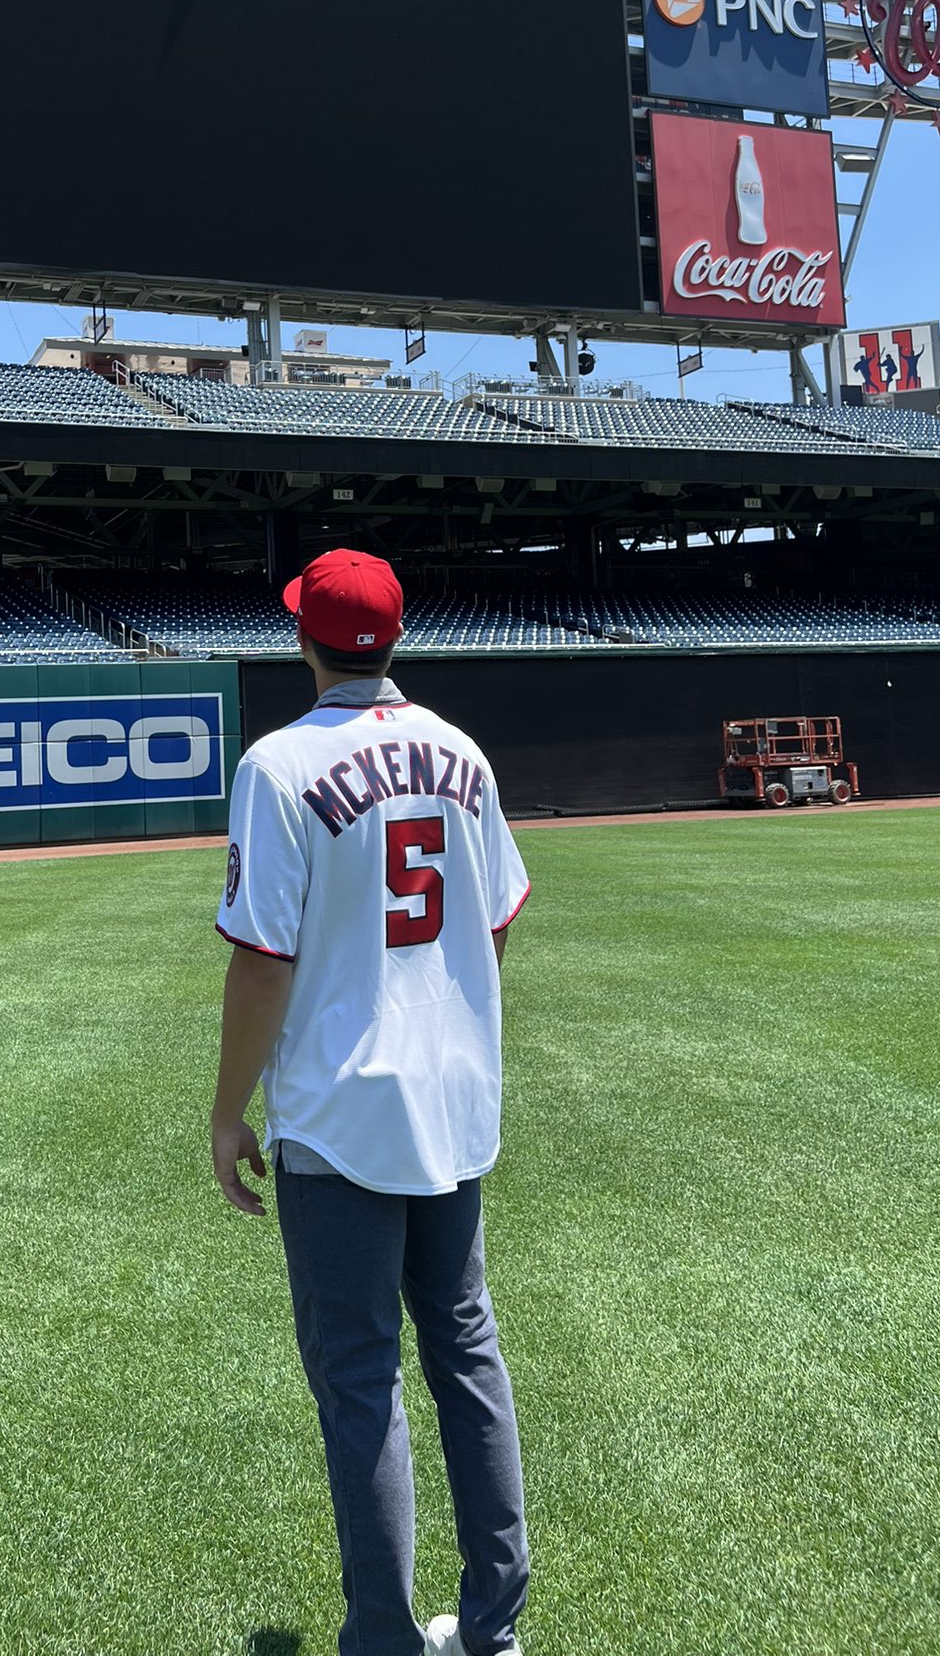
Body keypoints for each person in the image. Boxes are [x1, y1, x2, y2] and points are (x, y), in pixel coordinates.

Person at [209, 548, 530, 1656]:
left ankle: (384, 1639)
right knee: (465, 1351)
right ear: (396, 636)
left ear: (307, 640)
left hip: (341, 1112)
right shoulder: (462, 751)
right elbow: (493, 919)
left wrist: (224, 1110)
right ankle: (491, 1628)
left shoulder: (277, 763)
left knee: (361, 1377)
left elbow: (262, 962)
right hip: (453, 1099)